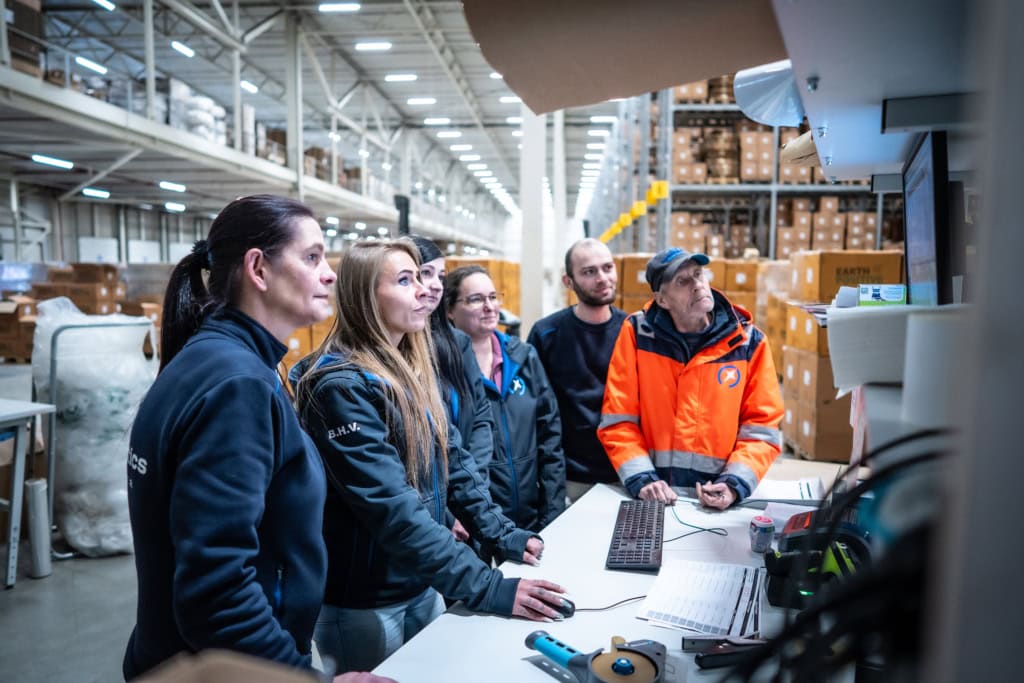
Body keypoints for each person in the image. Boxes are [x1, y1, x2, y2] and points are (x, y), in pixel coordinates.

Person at [123, 195, 389, 682]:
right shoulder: (237, 386)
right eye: (312, 257)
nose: (329, 273)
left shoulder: (213, 360)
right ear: (258, 269)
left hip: (171, 654)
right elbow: (217, 592)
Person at [294, 240, 568, 672]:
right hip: (367, 601)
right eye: (406, 280)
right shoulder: (338, 385)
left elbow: (453, 459)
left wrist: (501, 534)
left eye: (422, 277)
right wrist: (489, 587)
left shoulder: (408, 365)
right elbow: (393, 509)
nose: (425, 290)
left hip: (422, 582)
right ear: (367, 297)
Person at [598, 247, 784, 508]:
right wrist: (642, 479)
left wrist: (733, 484)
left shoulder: (748, 342)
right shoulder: (637, 335)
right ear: (662, 300)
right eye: (683, 282)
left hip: (718, 504)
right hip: (655, 501)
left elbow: (761, 429)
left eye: (699, 275)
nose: (697, 285)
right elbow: (618, 420)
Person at [408, 236, 542, 563]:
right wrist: (446, 510)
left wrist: (472, 488)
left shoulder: (456, 345)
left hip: (473, 496)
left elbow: (479, 420)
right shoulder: (401, 354)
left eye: (440, 276)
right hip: (435, 510)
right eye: (423, 274)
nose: (433, 286)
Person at [446, 265, 567, 531]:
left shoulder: (523, 357)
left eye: (492, 297)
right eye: (476, 299)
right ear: (449, 311)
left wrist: (553, 515)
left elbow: (550, 439)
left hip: (530, 515)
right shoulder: (444, 370)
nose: (490, 307)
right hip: (472, 520)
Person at [527, 239, 627, 503]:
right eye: (589, 272)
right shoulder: (546, 334)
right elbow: (534, 411)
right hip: (570, 477)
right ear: (568, 281)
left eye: (607, 268)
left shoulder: (634, 331)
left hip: (626, 472)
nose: (602, 278)